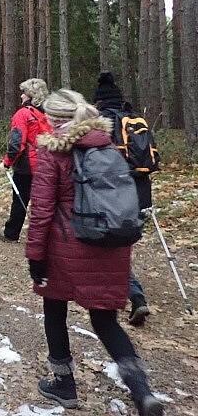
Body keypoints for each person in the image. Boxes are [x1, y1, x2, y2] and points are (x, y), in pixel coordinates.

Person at [26, 90, 164, 415]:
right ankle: (143, 392)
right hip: (109, 243)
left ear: (54, 118)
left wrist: (35, 254)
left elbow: (43, 211)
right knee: (105, 321)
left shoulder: (52, 151)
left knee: (55, 312)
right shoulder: (106, 143)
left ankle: (64, 385)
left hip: (64, 246)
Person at [94, 71, 152, 326]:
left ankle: (135, 296)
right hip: (141, 190)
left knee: (115, 246)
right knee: (124, 243)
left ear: (98, 101)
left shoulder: (101, 123)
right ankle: (130, 291)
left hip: (114, 192)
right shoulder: (135, 119)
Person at [0, 78, 52, 242]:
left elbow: (17, 143)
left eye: (23, 93)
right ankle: (47, 235)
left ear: (30, 95)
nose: (21, 96)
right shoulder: (48, 115)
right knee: (44, 201)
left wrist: (6, 162)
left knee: (20, 199)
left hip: (27, 166)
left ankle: (11, 233)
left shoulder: (23, 114)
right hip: (48, 163)